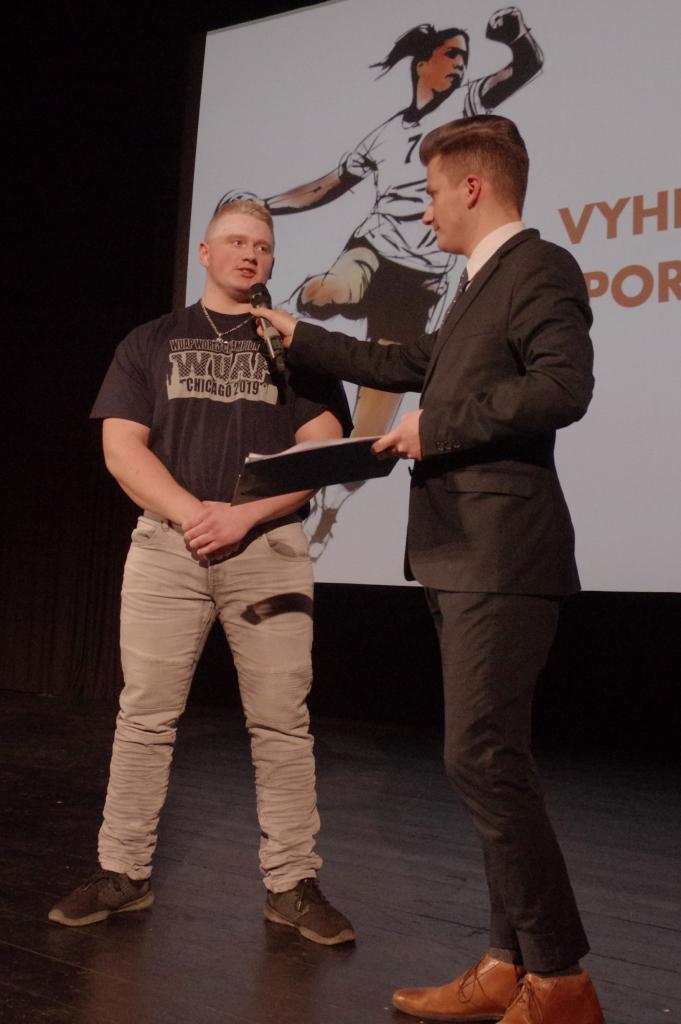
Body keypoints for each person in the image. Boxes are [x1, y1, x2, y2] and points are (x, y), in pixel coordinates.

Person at [252, 117, 604, 1021]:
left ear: (472, 187)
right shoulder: (476, 285)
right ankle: (507, 964)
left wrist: (434, 427)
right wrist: (296, 333)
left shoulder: (539, 267)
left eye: (434, 191)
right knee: (489, 761)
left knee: (480, 758)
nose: (425, 209)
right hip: (460, 552)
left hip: (502, 551)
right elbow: (403, 361)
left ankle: (560, 979)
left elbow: (562, 387)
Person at [47, 199, 355, 947]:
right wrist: (195, 514)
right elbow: (122, 448)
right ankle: (123, 873)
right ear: (206, 253)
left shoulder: (295, 347)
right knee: (145, 717)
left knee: (282, 723)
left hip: (270, 550)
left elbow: (323, 450)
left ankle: (291, 883)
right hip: (167, 550)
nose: (251, 254)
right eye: (236, 242)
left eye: (263, 246)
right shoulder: (150, 341)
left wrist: (242, 516)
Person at [221, 7, 543, 555]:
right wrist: (262, 205)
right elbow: (324, 187)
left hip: (421, 287)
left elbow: (525, 66)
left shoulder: (467, 112)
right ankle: (284, 324)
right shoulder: (386, 133)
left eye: (466, 57)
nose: (461, 67)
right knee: (331, 290)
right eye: (452, 55)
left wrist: (516, 37)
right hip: (373, 252)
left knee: (371, 433)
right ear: (421, 63)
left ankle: (330, 511)